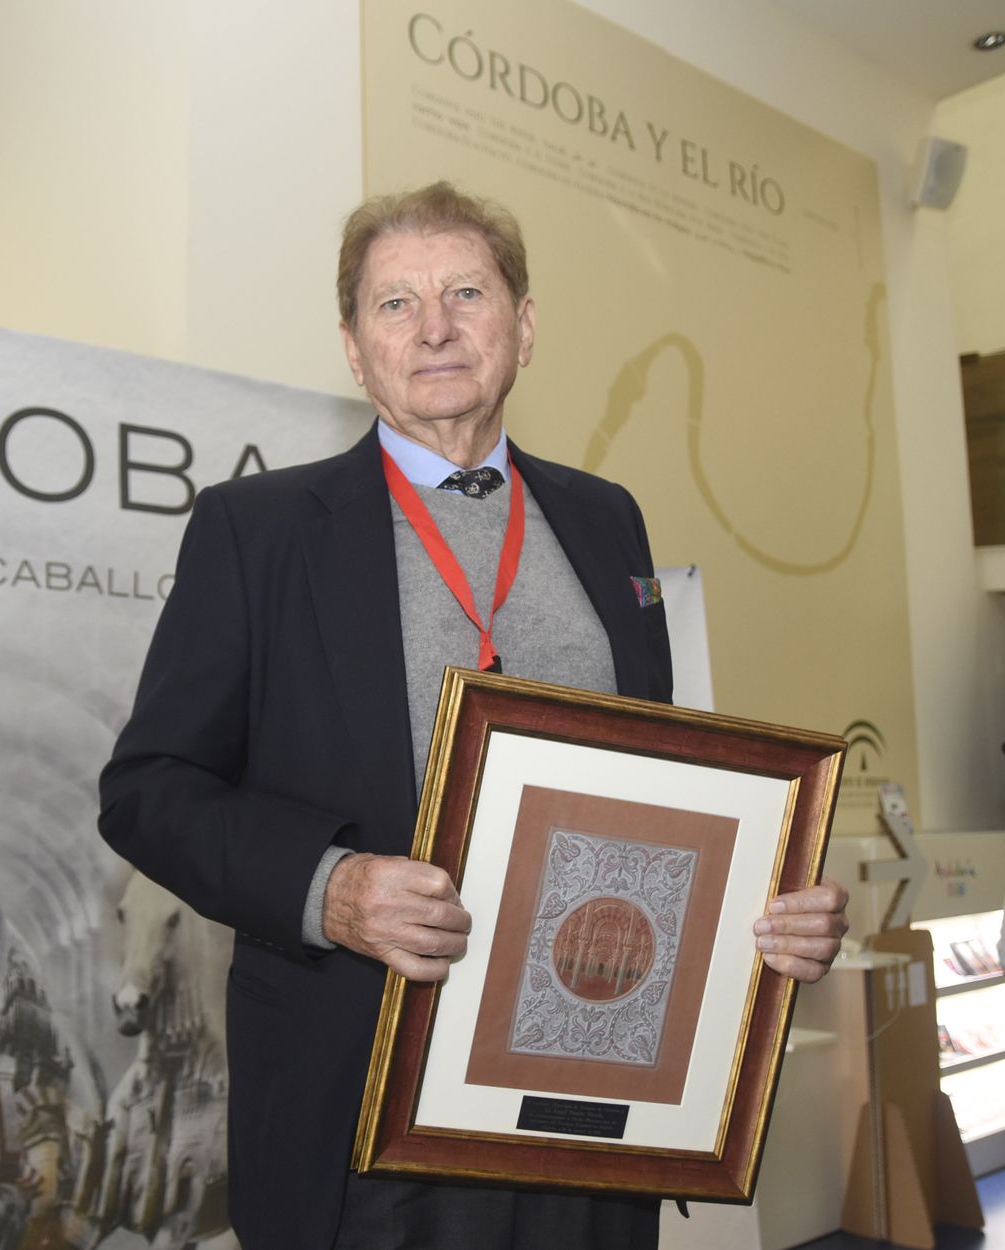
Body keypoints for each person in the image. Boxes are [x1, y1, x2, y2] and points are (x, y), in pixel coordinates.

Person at [98, 181, 848, 1250]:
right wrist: (332, 887)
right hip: (366, 1111)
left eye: (464, 292)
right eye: (393, 305)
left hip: (593, 1102)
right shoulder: (254, 532)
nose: (434, 327)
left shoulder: (605, 519)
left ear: (523, 325)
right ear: (354, 351)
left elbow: (660, 792)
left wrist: (763, 905)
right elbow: (148, 790)